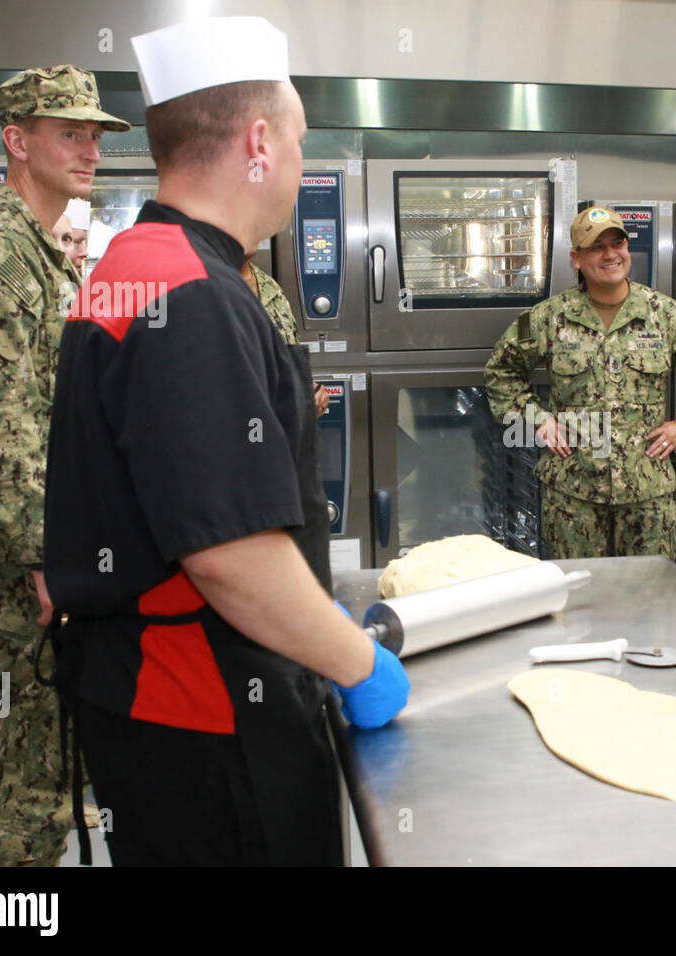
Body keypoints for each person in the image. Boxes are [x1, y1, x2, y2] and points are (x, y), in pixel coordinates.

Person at [43, 16, 408, 866]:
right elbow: (230, 555)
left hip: (153, 710)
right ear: (257, 142)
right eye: (298, 140)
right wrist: (357, 662)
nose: (301, 163)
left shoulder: (139, 261)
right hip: (209, 721)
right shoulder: (190, 293)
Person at [0, 64, 129, 865]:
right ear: (16, 140)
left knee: (47, 774)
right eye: (67, 132)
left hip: (49, 547)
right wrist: (46, 559)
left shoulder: (44, 253)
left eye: (93, 134)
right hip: (21, 560)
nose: (88, 149)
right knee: (26, 795)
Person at [485, 207, 676, 558]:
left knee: (648, 599)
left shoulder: (667, 315)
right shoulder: (548, 319)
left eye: (618, 244)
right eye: (597, 247)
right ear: (577, 258)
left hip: (646, 495)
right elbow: (501, 373)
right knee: (582, 600)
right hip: (574, 498)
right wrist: (537, 420)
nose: (610, 254)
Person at [240, 252, 329, 417]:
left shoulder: (268, 286)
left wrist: (308, 394)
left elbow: (286, 364)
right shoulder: (205, 287)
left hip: (276, 431)